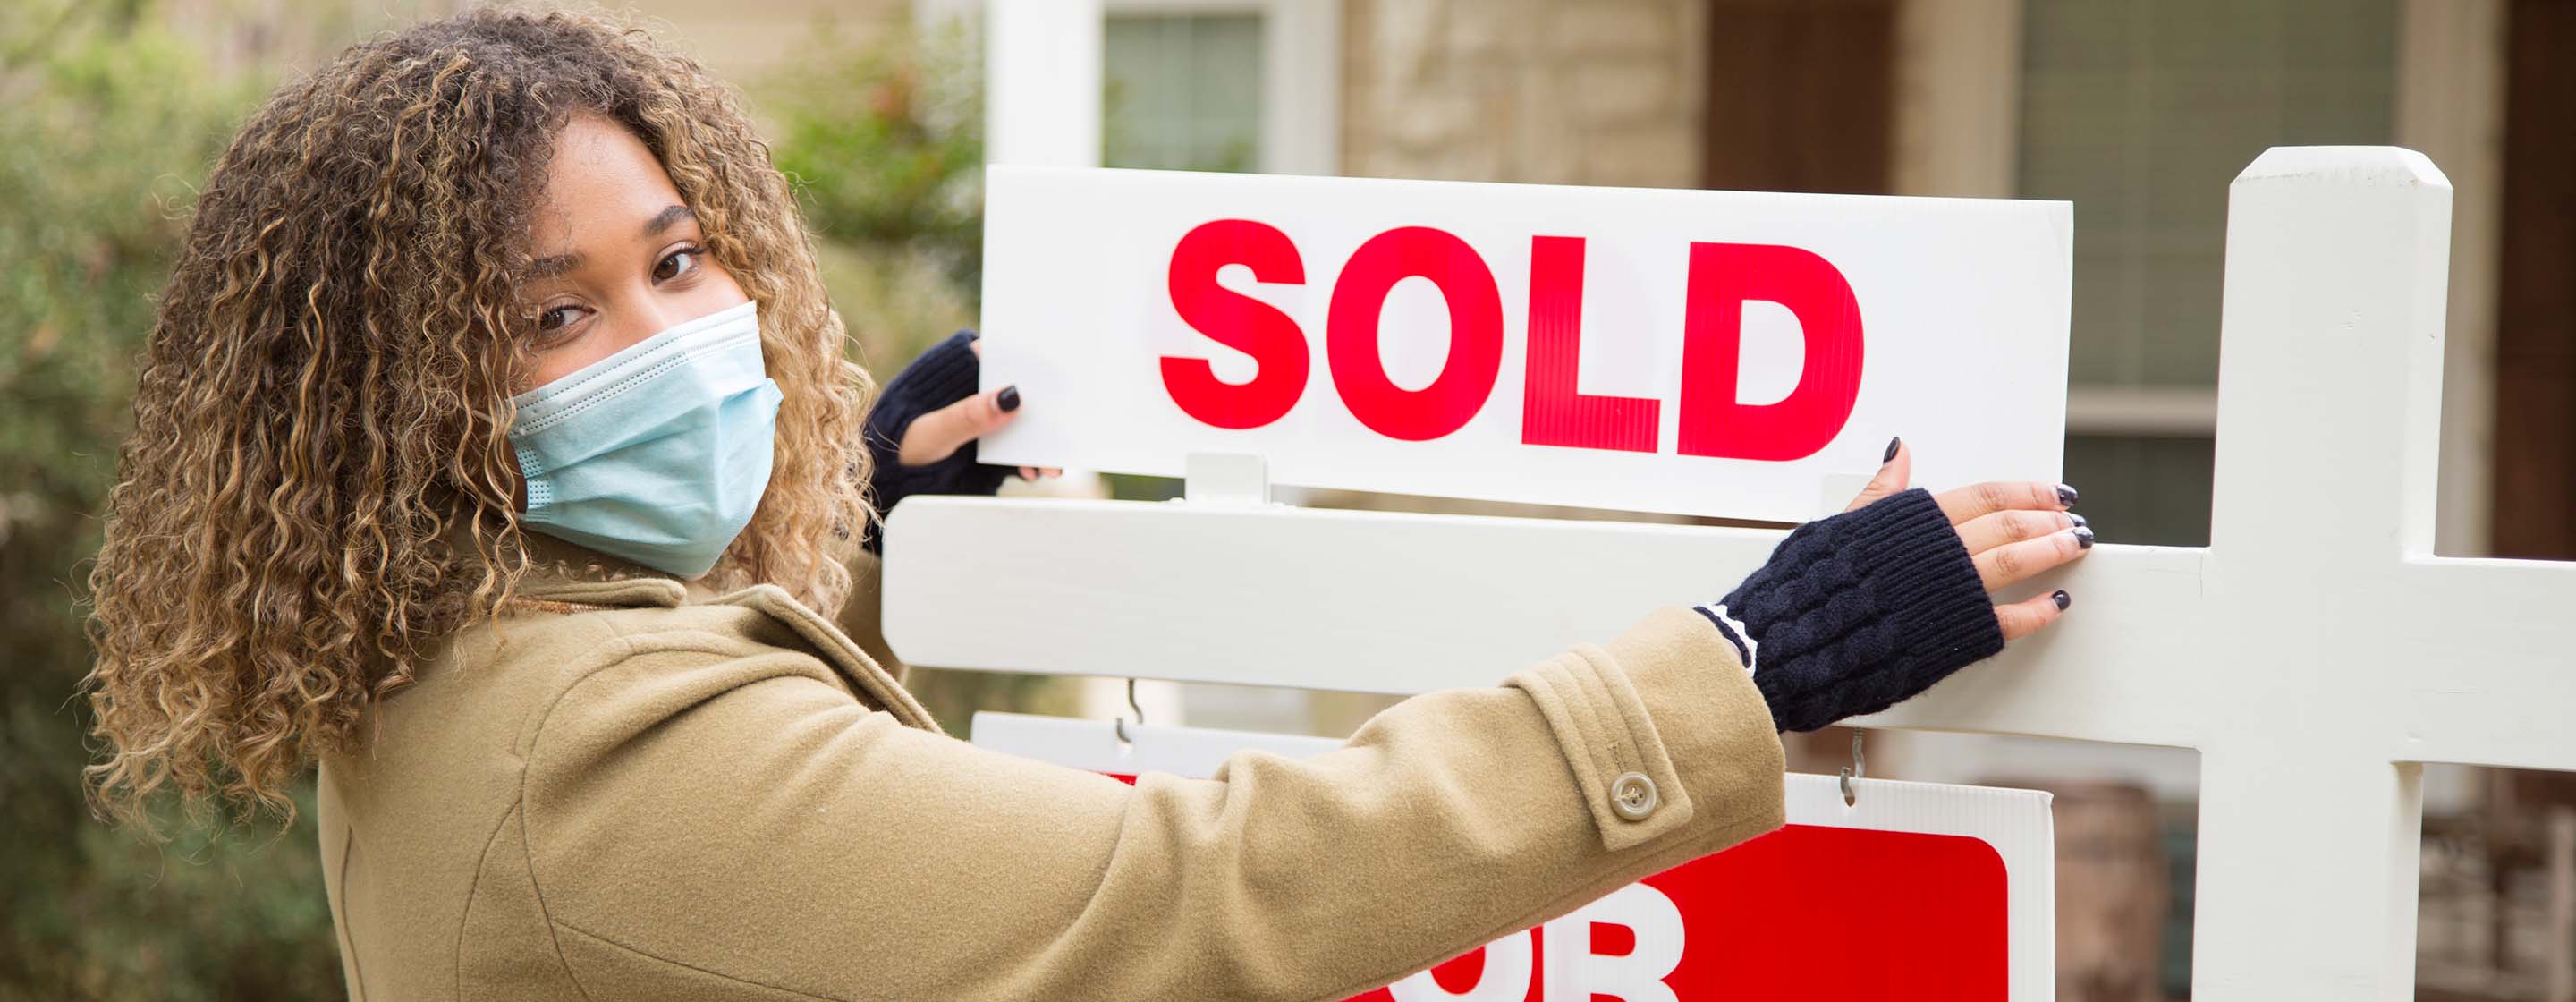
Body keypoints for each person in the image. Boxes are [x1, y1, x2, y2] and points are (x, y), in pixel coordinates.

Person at [80, 11, 2093, 1000]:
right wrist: (1751, 654)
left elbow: (749, 890)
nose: (673, 335)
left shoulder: (440, 659)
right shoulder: (586, 752)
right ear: (400, 394)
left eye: (682, 260)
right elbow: (1184, 888)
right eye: (554, 311)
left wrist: (849, 531)